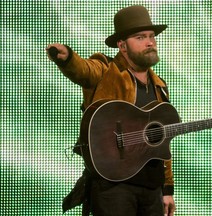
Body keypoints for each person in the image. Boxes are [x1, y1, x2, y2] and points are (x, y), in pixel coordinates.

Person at [46, 5, 176, 216]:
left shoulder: (160, 87)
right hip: (114, 187)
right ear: (122, 45)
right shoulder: (106, 70)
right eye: (140, 37)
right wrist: (68, 57)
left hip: (152, 190)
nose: (150, 42)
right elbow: (84, 70)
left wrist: (167, 190)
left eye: (152, 36)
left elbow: (162, 142)